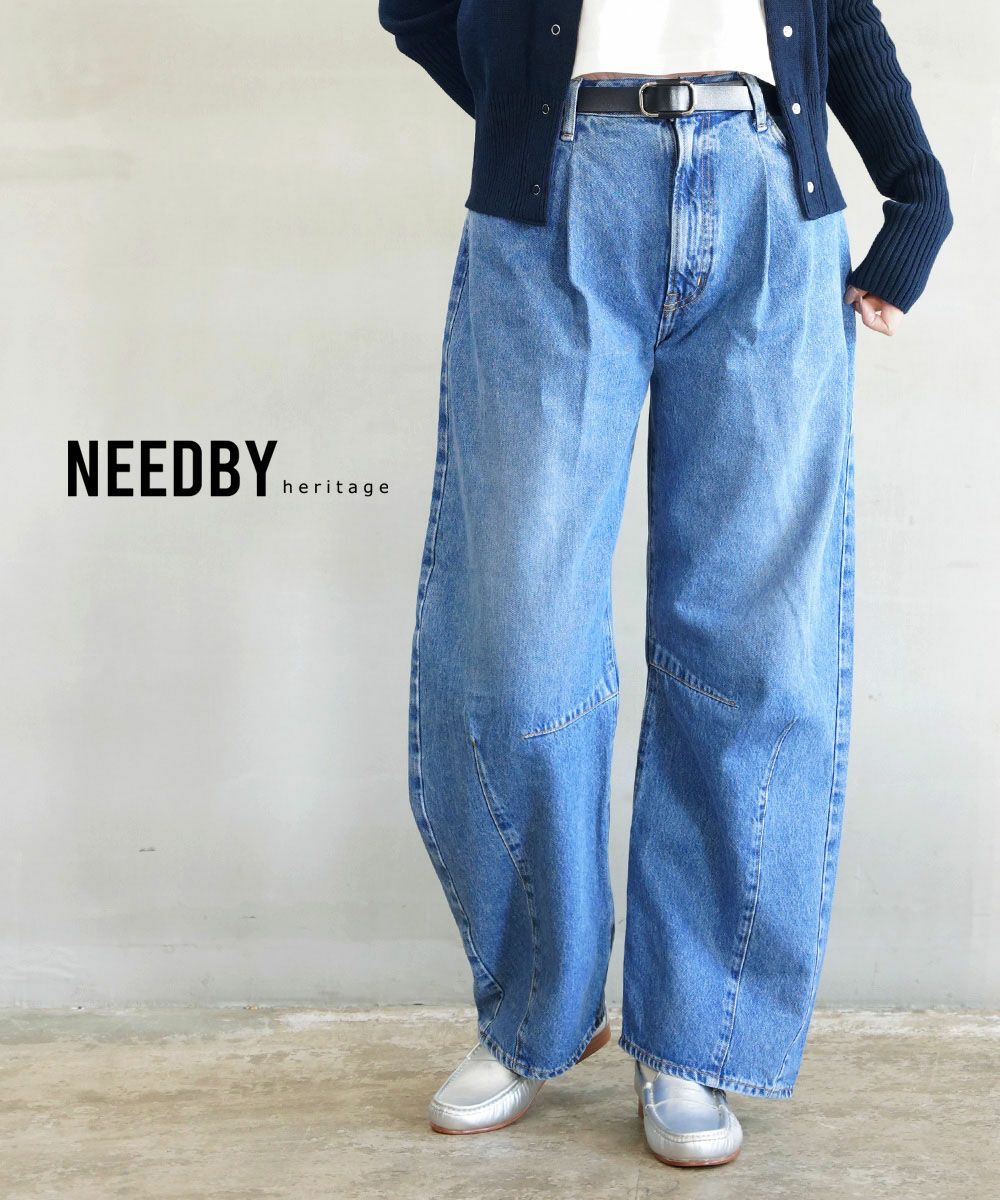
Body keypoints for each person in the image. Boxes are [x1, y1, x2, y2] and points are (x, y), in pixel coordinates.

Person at [377, 0, 951, 1168]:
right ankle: (534, 1014)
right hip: (553, 200)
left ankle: (696, 1035)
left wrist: (916, 192)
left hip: (768, 197)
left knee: (753, 657)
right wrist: (519, 105)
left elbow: (836, 13)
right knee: (516, 648)